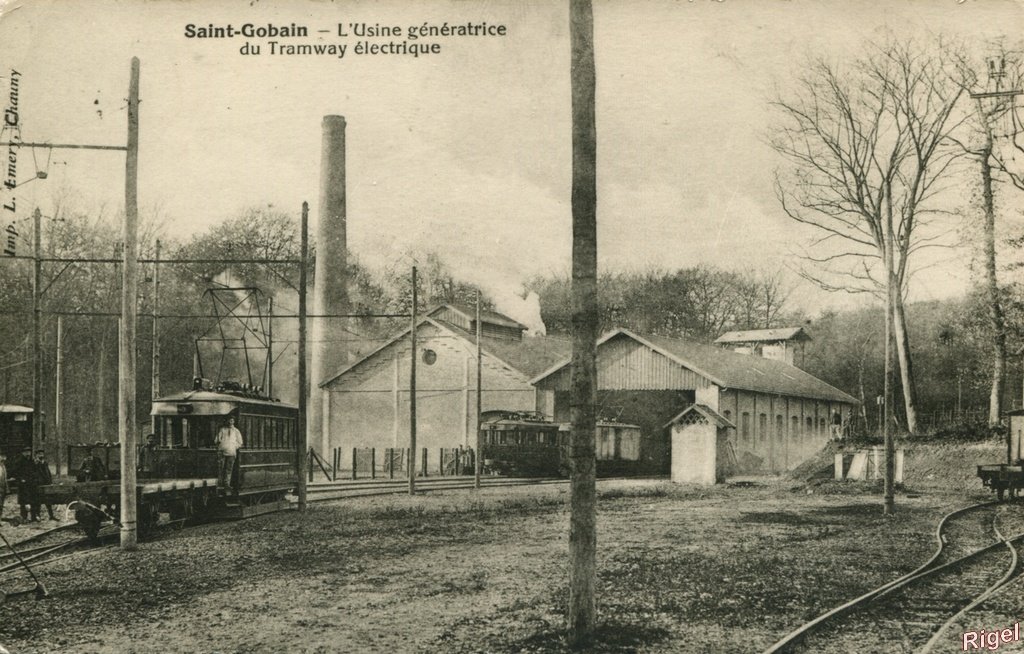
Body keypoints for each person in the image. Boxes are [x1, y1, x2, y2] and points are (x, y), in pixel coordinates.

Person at [214, 416, 244, 494]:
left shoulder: (236, 431)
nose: (230, 422)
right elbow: (216, 439)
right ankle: (220, 484)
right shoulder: (222, 430)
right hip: (222, 452)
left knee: (228, 469)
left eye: (232, 421)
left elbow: (240, 442)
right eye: (229, 420)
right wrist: (220, 443)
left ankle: (226, 484)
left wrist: (234, 446)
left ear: (233, 422)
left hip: (231, 452)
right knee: (221, 468)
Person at [33, 449, 55, 521]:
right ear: (36, 455)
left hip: (46, 484)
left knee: (48, 501)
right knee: (38, 502)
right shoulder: (35, 463)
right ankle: (37, 516)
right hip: (38, 485)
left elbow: (48, 473)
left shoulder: (45, 463)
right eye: (39, 454)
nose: (41, 455)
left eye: (42, 454)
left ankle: (51, 516)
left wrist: (50, 482)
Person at [0, 454, 9, 521]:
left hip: (2, 489)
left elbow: (5, 479)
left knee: (1, 505)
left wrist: (7, 489)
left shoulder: (3, 467)